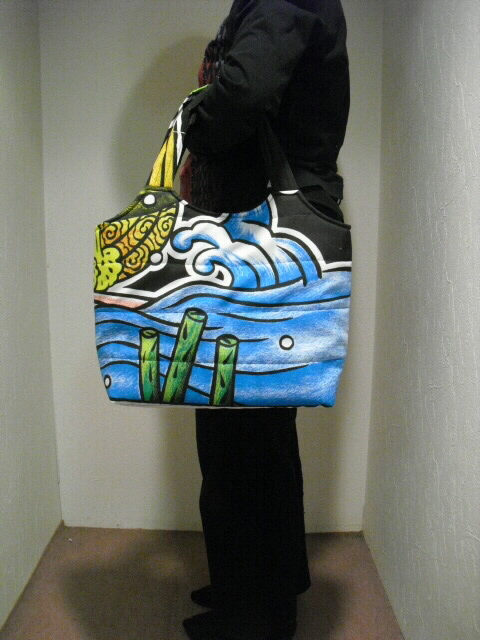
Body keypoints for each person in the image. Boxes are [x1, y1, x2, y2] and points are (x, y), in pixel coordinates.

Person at [180, 1, 350, 638]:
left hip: (262, 235)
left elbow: (246, 91)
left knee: (244, 435)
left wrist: (194, 121)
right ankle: (252, 585)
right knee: (248, 427)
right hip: (256, 235)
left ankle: (258, 610)